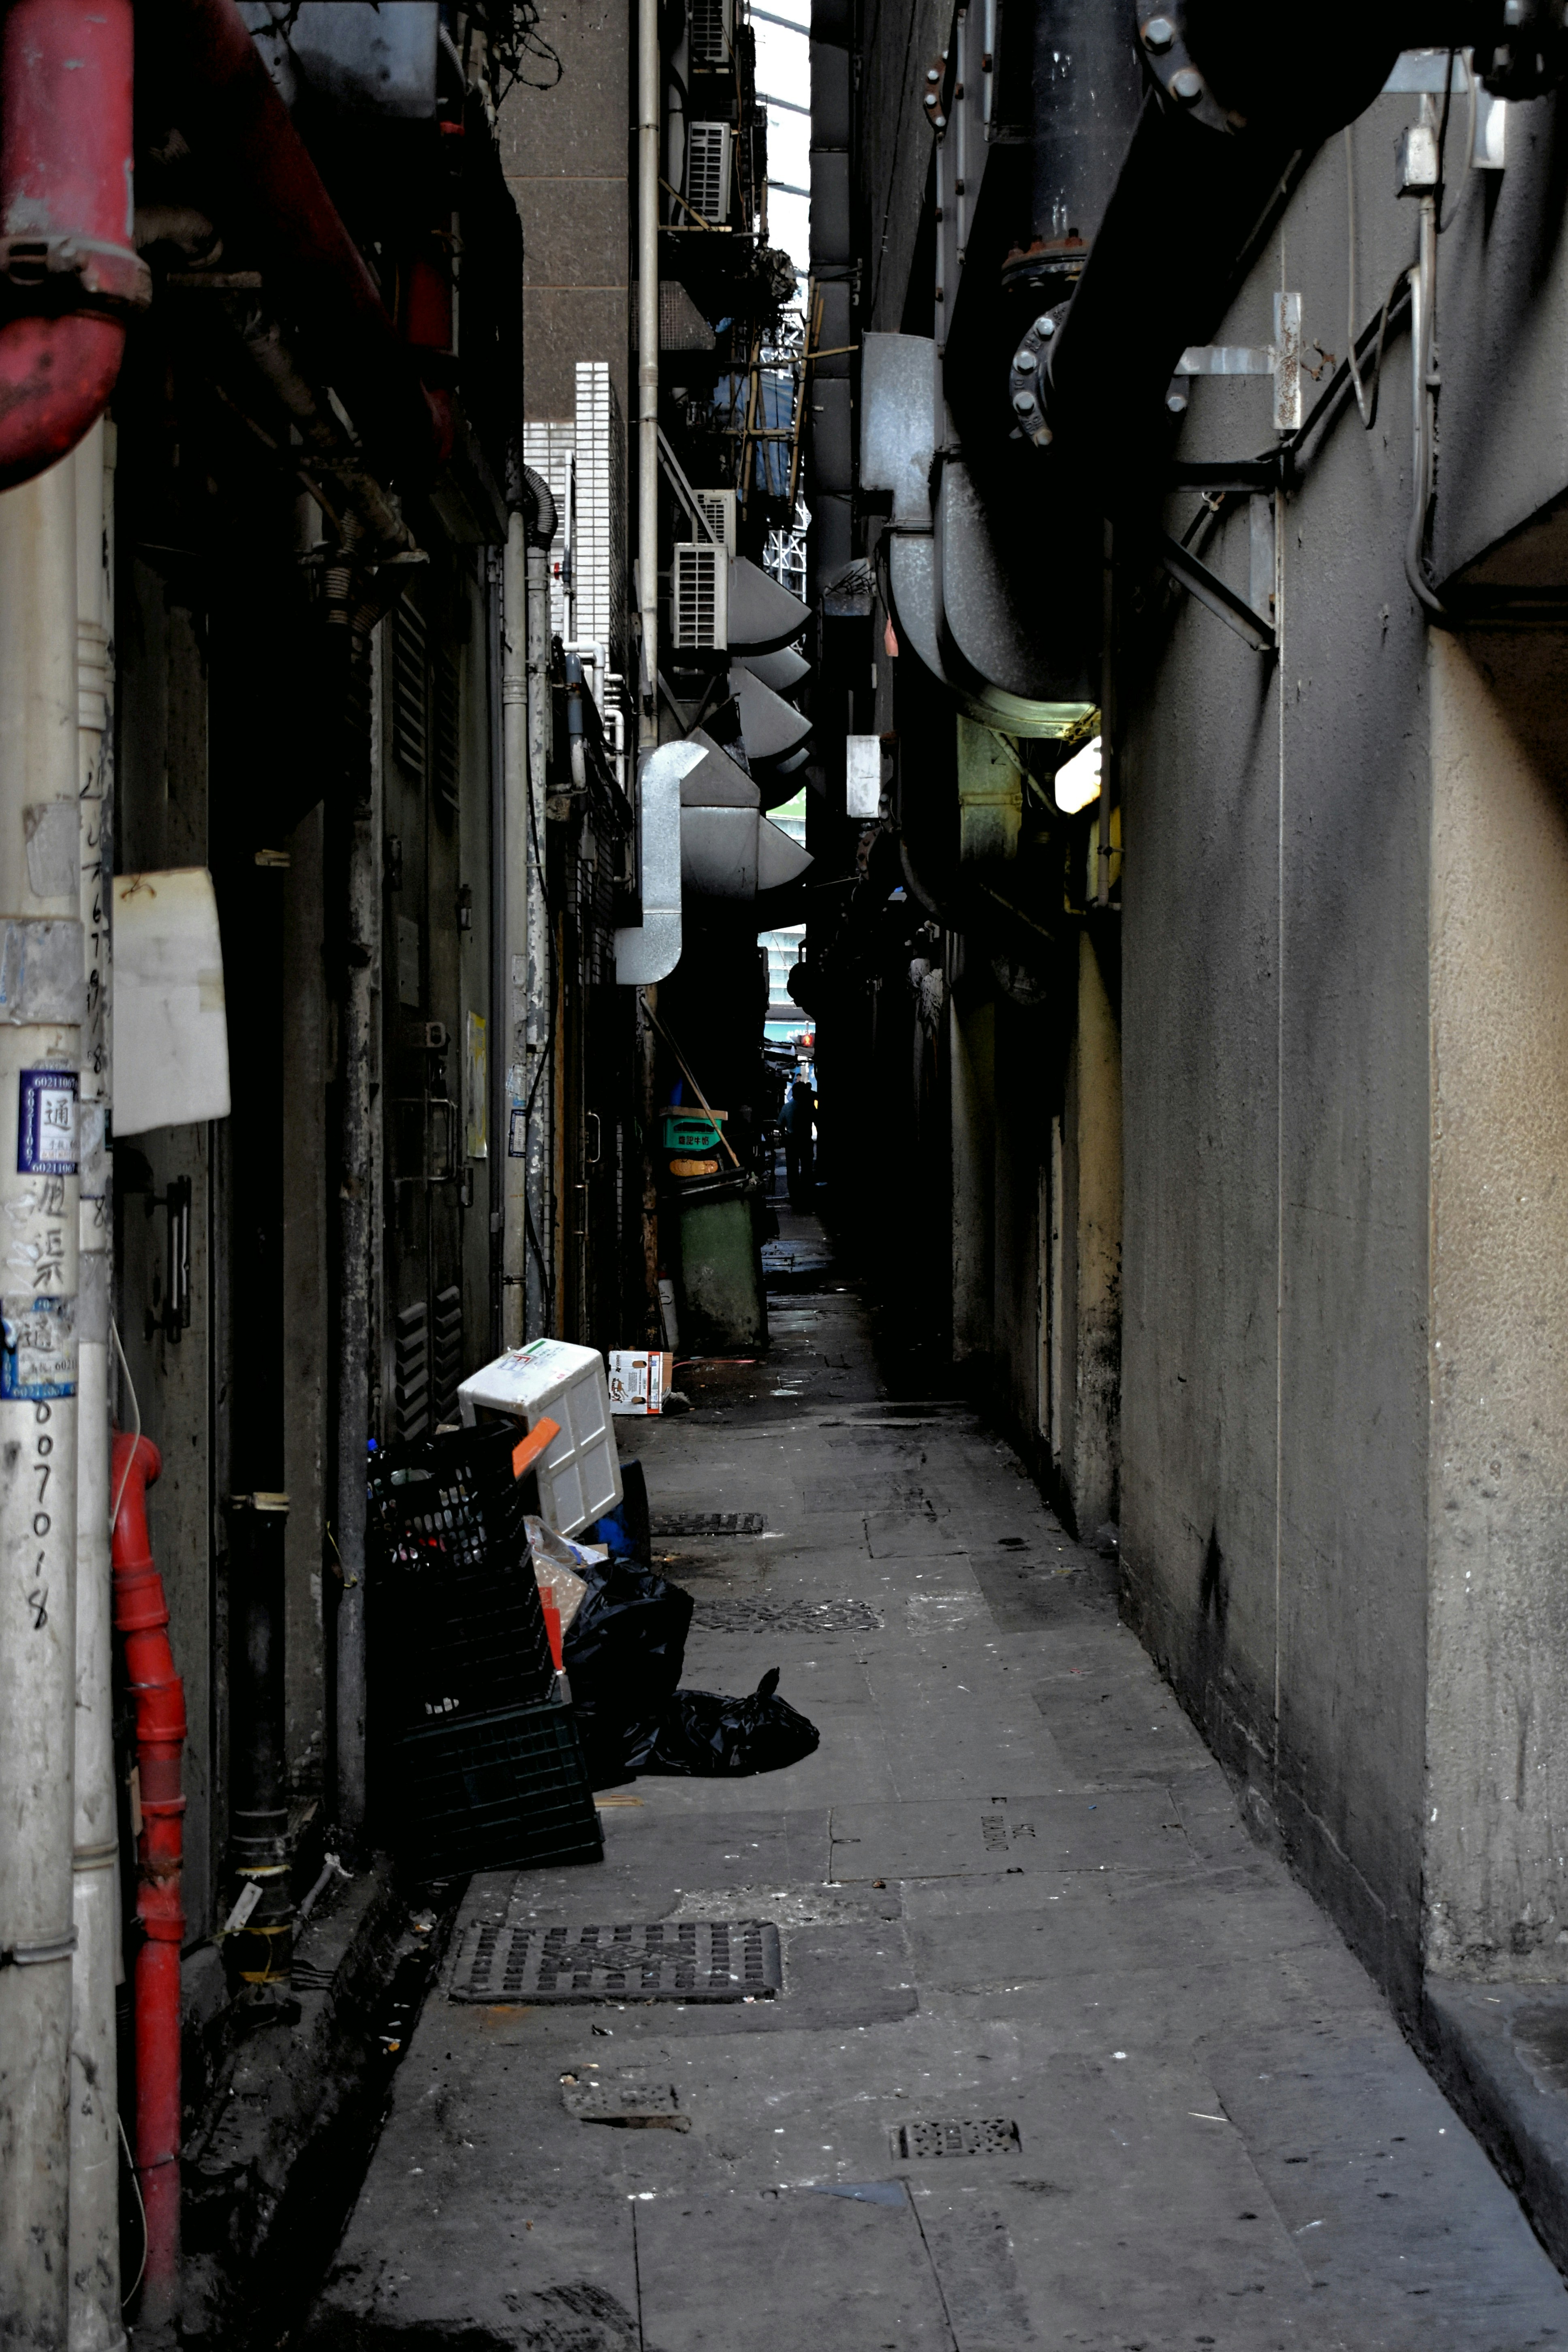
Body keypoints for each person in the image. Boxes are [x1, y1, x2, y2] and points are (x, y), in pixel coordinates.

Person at [782, 1073, 816, 1208]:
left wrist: (785, 1135)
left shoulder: (787, 1107)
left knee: (792, 1170)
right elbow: (818, 1121)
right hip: (806, 1141)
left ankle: (795, 1197)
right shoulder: (809, 1107)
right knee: (807, 1169)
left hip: (792, 1142)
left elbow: (780, 1124)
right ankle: (806, 1195)